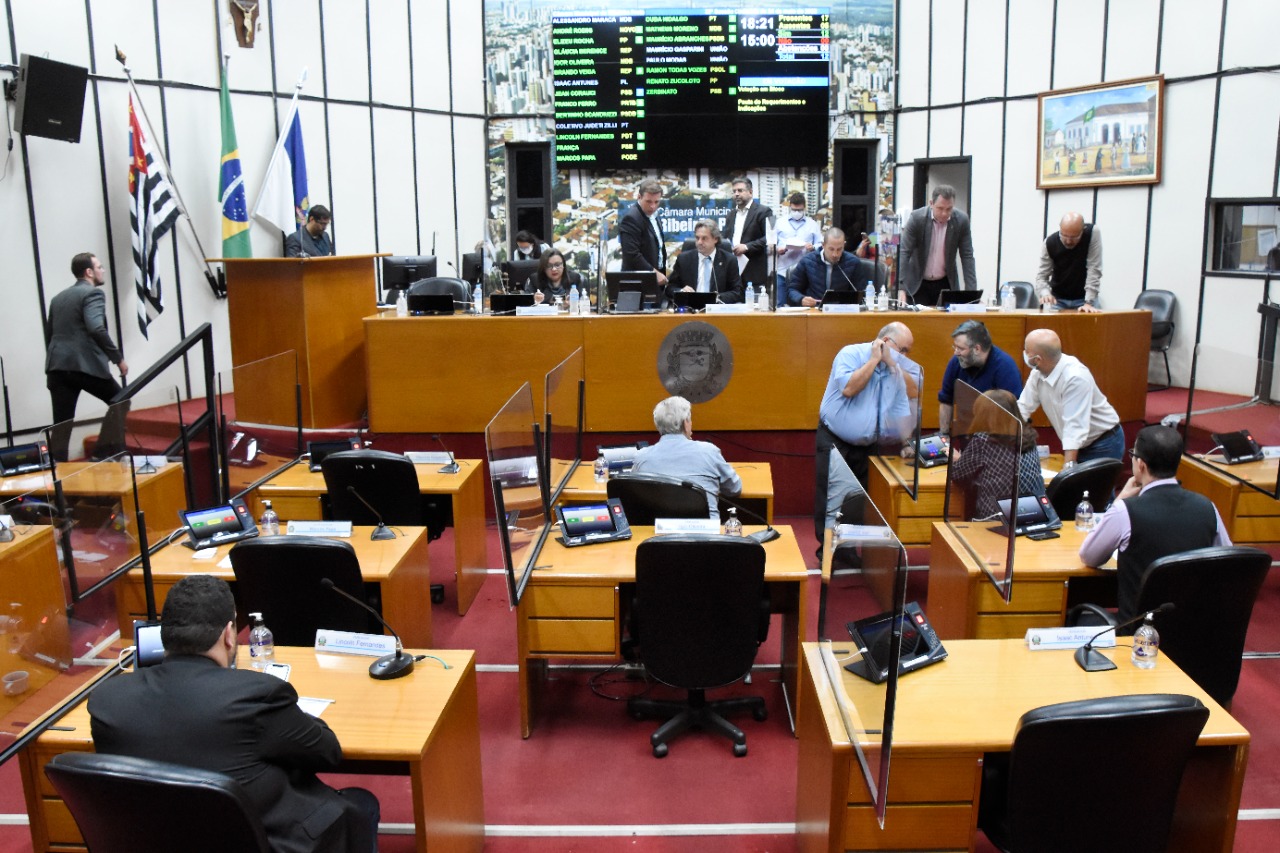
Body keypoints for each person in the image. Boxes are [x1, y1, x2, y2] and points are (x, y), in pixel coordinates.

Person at [88, 575, 380, 853]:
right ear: (229, 635)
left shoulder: (107, 700)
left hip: (152, 841)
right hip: (252, 841)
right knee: (361, 804)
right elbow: (326, 751)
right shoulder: (257, 695)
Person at [1079, 426, 1231, 623]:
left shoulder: (1125, 510)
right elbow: (1226, 561)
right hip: (1192, 629)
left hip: (1138, 635)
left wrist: (1119, 501)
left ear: (1140, 465)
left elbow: (1089, 556)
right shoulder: (1208, 507)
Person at [814, 322, 915, 544]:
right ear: (886, 343)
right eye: (904, 350)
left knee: (860, 501)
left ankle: (849, 548)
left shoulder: (894, 371)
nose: (906, 356)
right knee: (832, 498)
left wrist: (908, 443)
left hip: (869, 445)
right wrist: (874, 360)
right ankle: (827, 552)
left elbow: (904, 406)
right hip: (835, 440)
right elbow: (849, 389)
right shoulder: (850, 354)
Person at [44, 253, 129, 462]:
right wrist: (117, 358)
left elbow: (50, 335)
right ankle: (103, 452)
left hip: (57, 367)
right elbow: (96, 328)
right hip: (83, 366)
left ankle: (58, 484)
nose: (102, 271)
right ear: (89, 272)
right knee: (121, 400)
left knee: (61, 426)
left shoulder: (57, 299)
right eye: (99, 267)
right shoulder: (93, 294)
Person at [1017, 328, 1123, 467]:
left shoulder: (1075, 377)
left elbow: (1074, 427)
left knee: (1097, 488)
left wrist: (1068, 469)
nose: (1024, 353)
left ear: (1037, 360)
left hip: (1102, 442)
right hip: (1079, 441)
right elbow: (1023, 407)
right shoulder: (1038, 372)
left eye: (1026, 350)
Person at [630, 396, 741, 518]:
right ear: (685, 423)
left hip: (659, 534)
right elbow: (734, 489)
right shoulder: (709, 451)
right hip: (705, 534)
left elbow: (636, 493)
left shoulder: (641, 457)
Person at [949, 389, 1045, 521]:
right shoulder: (1028, 435)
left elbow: (957, 476)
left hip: (994, 519)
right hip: (1030, 515)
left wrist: (956, 460)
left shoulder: (983, 441)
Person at [938, 320, 1023, 437]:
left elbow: (1011, 414)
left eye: (960, 348)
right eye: (955, 347)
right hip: (967, 433)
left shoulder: (1005, 368)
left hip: (998, 437)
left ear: (977, 349)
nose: (955, 353)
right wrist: (944, 434)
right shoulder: (957, 362)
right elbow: (946, 400)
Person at [897, 185, 977, 307]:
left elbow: (967, 256)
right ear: (931, 204)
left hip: (945, 283)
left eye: (949, 209)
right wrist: (901, 287)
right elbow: (904, 252)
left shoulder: (961, 220)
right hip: (918, 283)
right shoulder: (917, 218)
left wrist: (971, 294)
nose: (945, 213)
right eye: (940, 208)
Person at [788, 228, 876, 307]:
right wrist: (801, 299)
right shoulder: (807, 261)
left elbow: (861, 293)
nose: (835, 254)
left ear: (844, 245)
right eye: (831, 249)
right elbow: (792, 289)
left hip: (842, 312)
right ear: (823, 245)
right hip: (814, 310)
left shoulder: (853, 263)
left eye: (839, 249)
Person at [1035, 212, 1102, 312]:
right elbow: (1041, 276)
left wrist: (1088, 302)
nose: (1068, 241)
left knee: (1094, 324)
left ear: (1082, 230)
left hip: (1084, 298)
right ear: (1060, 228)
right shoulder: (1049, 243)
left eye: (1074, 237)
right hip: (1058, 299)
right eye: (1064, 235)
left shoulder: (1092, 233)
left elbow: (1094, 268)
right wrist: (1045, 294)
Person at [667, 219, 742, 303]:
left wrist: (717, 298)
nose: (699, 242)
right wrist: (681, 291)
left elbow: (737, 292)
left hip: (716, 310)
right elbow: (670, 288)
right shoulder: (684, 259)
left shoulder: (729, 260)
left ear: (715, 239)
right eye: (697, 238)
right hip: (690, 309)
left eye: (704, 238)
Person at [723, 178, 774, 290]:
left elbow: (771, 237)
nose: (736, 194)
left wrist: (747, 247)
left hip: (754, 271)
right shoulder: (730, 215)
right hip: (734, 272)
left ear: (750, 192)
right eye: (734, 191)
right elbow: (725, 238)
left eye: (740, 191)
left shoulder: (765, 211)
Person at [774, 192, 822, 306]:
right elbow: (770, 244)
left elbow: (820, 244)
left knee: (802, 306)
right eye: (794, 210)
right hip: (782, 270)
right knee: (780, 305)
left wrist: (813, 247)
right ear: (790, 207)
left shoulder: (812, 224)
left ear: (804, 208)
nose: (796, 213)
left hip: (804, 273)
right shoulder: (780, 223)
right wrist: (778, 249)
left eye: (799, 210)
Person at [619, 179, 668, 286]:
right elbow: (632, 254)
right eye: (648, 202)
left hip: (655, 281)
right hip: (638, 284)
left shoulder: (655, 215)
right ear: (639, 197)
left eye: (656, 202)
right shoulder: (631, 218)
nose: (653, 206)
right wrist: (654, 273)